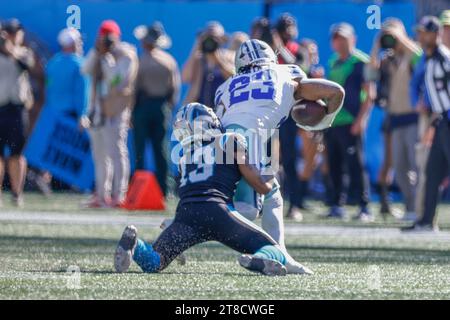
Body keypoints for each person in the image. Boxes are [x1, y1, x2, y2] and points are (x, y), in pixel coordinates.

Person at [114, 103, 313, 276]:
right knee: (274, 249)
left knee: (154, 262)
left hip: (185, 215)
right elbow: (259, 184)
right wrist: (270, 177)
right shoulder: (229, 140)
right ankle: (258, 259)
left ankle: (136, 246)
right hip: (218, 211)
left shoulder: (184, 157)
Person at [214, 39, 345, 248]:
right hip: (248, 140)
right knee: (250, 207)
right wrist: (324, 121)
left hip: (220, 143)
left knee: (260, 197)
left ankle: (276, 253)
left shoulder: (224, 86)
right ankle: (272, 253)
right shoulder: (285, 72)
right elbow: (336, 91)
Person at [368, 18, 422, 221]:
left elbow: (419, 55)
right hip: (395, 118)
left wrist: (401, 38)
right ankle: (411, 207)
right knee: (399, 168)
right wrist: (377, 44)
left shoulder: (412, 53)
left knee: (416, 167)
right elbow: (370, 73)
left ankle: (419, 208)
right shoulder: (387, 59)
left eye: (393, 35)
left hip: (414, 117)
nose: (391, 39)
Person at [81, 20, 138, 208]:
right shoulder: (99, 54)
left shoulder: (126, 55)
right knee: (99, 155)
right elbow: (85, 70)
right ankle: (102, 193)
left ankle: (119, 194)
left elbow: (116, 81)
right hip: (97, 110)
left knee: (116, 152)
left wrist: (107, 58)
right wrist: (96, 52)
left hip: (116, 110)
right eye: (102, 37)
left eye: (108, 38)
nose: (105, 41)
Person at [403, 16, 450, 232]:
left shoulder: (444, 58)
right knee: (432, 172)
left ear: (435, 34)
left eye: (424, 32)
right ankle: (425, 221)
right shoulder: (428, 59)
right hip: (440, 120)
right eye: (420, 32)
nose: (420, 37)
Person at [324, 22, 374, 221]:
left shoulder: (362, 61)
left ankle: (364, 206)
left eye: (343, 37)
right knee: (334, 164)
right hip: (333, 122)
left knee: (356, 164)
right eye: (336, 38)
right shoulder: (332, 62)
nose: (339, 42)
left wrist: (361, 120)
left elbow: (370, 94)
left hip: (351, 122)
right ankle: (337, 204)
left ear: (353, 39)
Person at [132, 21, 180, 196]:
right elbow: (174, 89)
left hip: (143, 106)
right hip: (161, 106)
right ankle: (164, 189)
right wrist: (167, 108)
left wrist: (131, 111)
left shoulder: (141, 61)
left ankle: (138, 189)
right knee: (161, 148)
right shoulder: (168, 61)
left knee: (139, 149)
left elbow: (134, 88)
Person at [0, 18, 35, 207]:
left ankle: (16, 193)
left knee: (17, 154)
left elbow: (26, 65)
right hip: (0, 107)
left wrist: (10, 48)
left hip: (17, 109)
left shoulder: (23, 52)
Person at [182, 21, 234, 106]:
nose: (210, 42)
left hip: (223, 108)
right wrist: (197, 46)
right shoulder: (198, 59)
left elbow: (234, 78)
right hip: (200, 109)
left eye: (214, 38)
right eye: (208, 38)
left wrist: (218, 60)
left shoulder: (229, 56)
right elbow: (185, 78)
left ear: (222, 40)